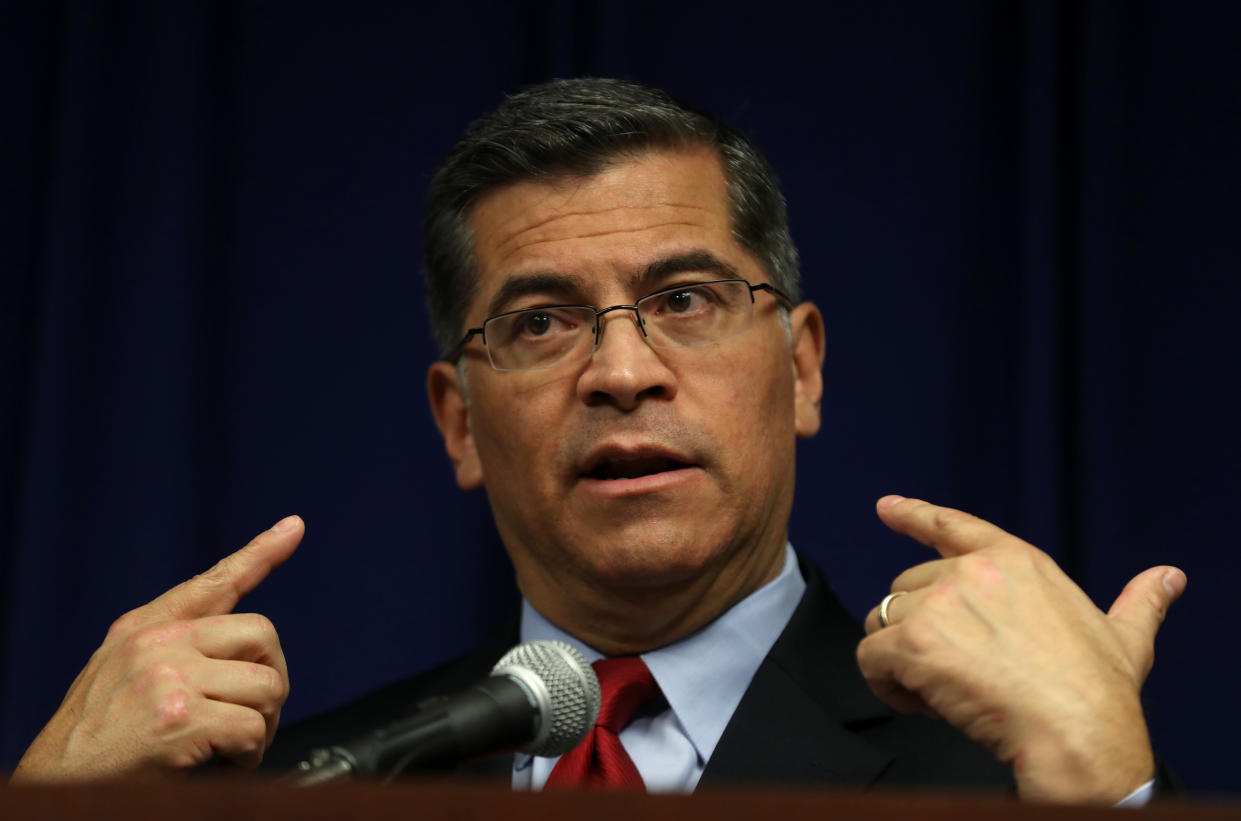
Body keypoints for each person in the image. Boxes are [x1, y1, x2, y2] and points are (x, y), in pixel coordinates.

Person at [9, 78, 1185, 804]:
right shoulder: (302, 789)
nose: (620, 372)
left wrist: (1111, 789)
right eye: (540, 323)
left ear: (801, 365)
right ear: (459, 419)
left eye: (684, 298)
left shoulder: (1021, 770)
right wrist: (49, 806)